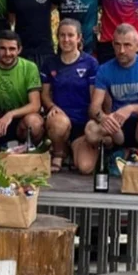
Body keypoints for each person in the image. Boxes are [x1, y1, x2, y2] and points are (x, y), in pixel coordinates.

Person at [85, 24, 138, 153]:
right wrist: (103, 118)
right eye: (117, 44)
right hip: (117, 126)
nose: (121, 50)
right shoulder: (104, 69)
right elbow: (94, 107)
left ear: (137, 46)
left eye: (127, 45)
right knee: (91, 129)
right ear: (112, 45)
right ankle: (111, 150)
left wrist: (130, 108)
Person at [41, 19, 99, 173]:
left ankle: (73, 148)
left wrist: (93, 121)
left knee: (85, 168)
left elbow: (94, 96)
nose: (66, 39)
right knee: (59, 124)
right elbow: (45, 94)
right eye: (62, 35)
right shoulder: (50, 63)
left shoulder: (90, 63)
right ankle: (58, 153)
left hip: (82, 123)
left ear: (79, 38)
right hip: (60, 118)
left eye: (70, 35)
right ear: (57, 37)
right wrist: (51, 106)